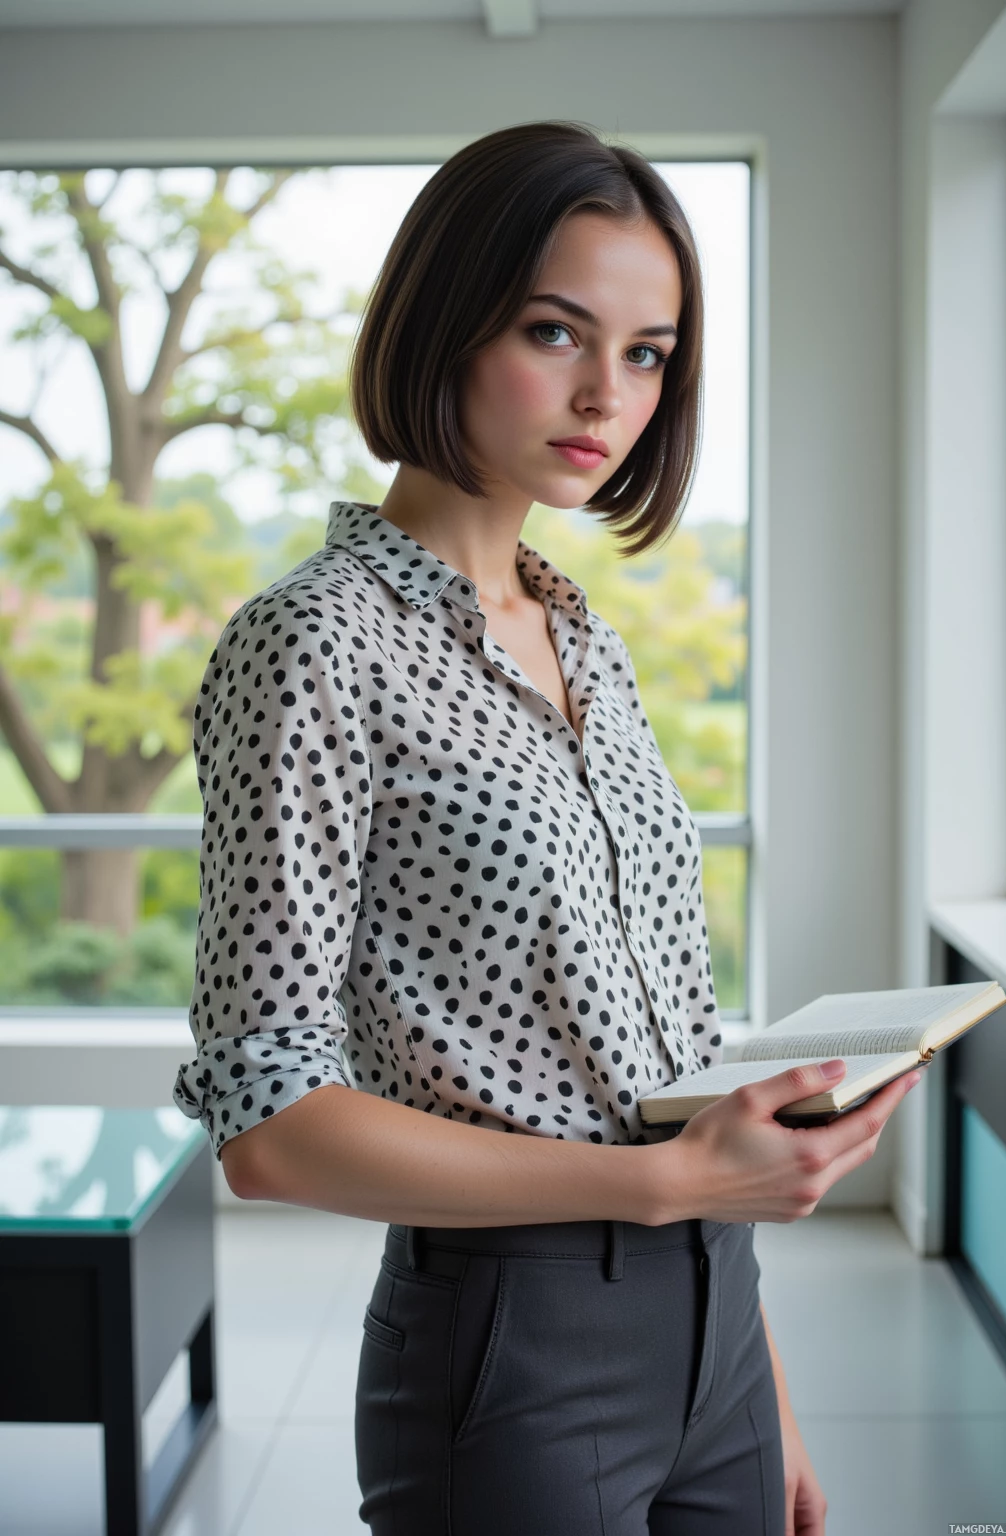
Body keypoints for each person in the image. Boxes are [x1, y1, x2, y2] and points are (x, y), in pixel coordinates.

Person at [173, 120, 921, 1535]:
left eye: (648, 353)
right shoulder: (312, 648)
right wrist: (668, 1185)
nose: (607, 395)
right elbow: (267, 1121)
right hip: (511, 1354)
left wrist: (761, 1387)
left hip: (715, 1330)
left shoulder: (587, 637)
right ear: (447, 320)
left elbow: (666, 1051)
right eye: (555, 330)